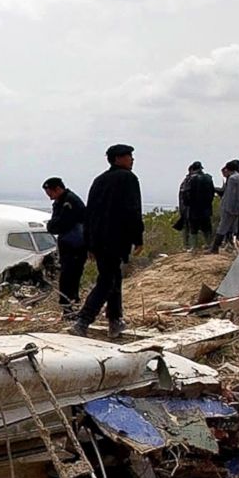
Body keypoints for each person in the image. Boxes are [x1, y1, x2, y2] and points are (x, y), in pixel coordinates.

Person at [71, 144, 144, 339]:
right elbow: (133, 210)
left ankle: (115, 320)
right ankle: (83, 320)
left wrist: (89, 243)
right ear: (118, 159)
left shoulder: (99, 180)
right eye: (129, 156)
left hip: (98, 240)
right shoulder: (128, 178)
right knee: (107, 280)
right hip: (116, 239)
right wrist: (138, 237)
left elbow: (89, 214)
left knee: (113, 277)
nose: (132, 159)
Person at [43, 177, 88, 319]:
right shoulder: (60, 202)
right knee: (68, 278)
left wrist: (52, 225)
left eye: (50, 192)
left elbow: (60, 224)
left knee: (71, 278)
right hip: (68, 245)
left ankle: (70, 309)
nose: (49, 196)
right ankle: (68, 309)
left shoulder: (69, 202)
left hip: (75, 246)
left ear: (57, 189)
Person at [209, 160, 239, 253]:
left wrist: (228, 208)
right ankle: (230, 247)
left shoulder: (232, 179)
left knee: (222, 227)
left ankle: (215, 248)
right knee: (232, 228)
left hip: (231, 207)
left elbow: (230, 195)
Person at [186, 161, 215, 251]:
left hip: (194, 208)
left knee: (193, 228)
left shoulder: (192, 179)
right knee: (206, 227)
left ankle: (194, 247)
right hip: (206, 207)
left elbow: (187, 194)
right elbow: (212, 192)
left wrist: (188, 204)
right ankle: (209, 244)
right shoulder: (208, 178)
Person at [175, 166, 193, 250]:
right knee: (187, 227)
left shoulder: (187, 181)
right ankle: (187, 246)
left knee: (189, 227)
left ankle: (188, 246)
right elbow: (183, 196)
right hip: (186, 209)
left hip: (186, 208)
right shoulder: (187, 182)